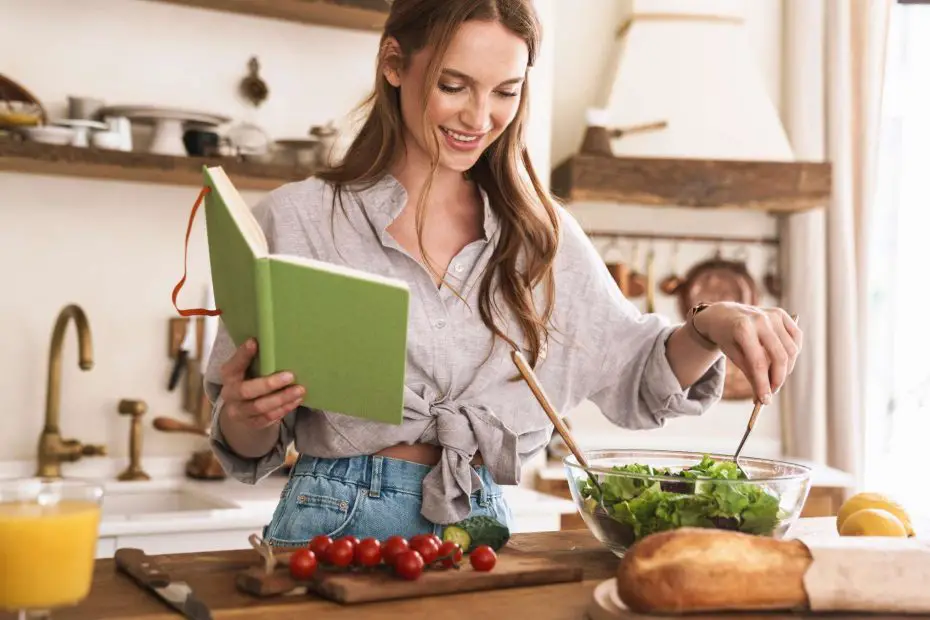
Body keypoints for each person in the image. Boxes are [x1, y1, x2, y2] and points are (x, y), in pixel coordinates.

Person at [203, 0, 803, 547]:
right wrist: (244, 414)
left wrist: (707, 325)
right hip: (331, 523)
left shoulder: (542, 237)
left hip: (478, 528)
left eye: (505, 92)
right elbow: (247, 445)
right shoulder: (296, 218)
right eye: (453, 85)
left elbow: (639, 374)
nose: (479, 117)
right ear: (393, 63)